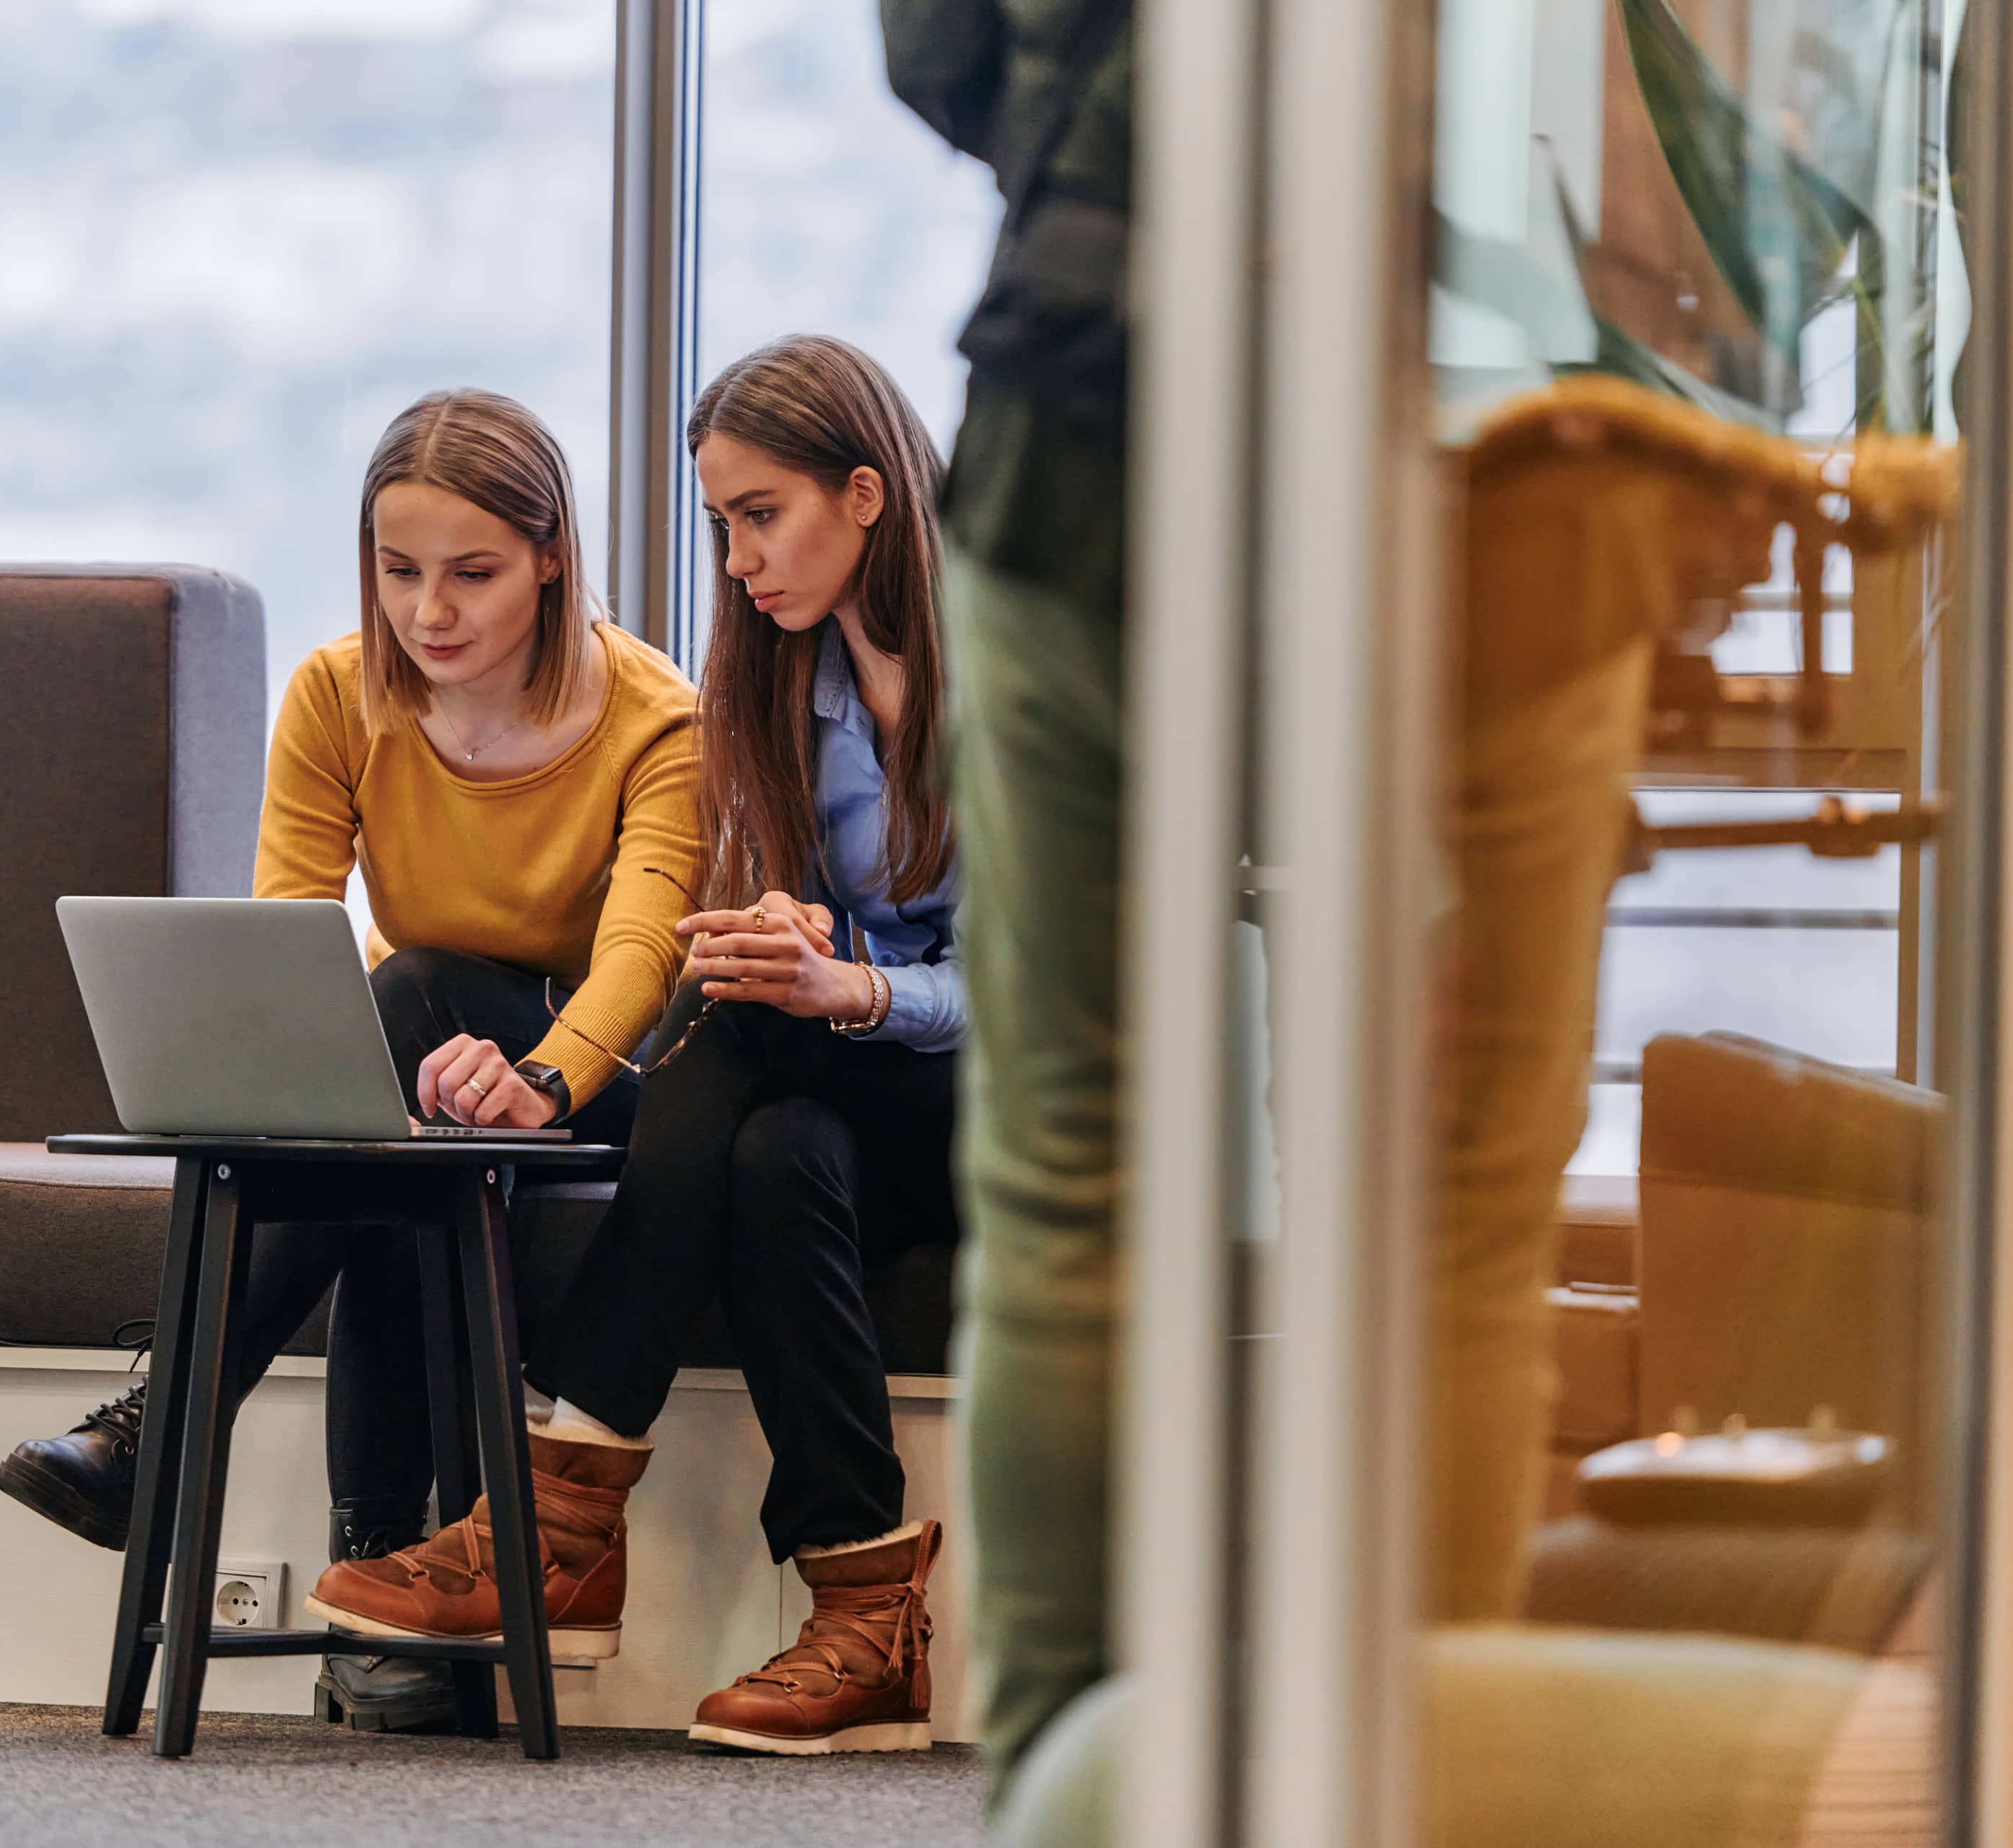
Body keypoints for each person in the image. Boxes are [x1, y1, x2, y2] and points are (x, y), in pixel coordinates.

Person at [0, 388, 700, 1732]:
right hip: (428, 1085)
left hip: (600, 1092)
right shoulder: (335, 693)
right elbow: (291, 945)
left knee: (419, 987)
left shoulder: (659, 717)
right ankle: (382, 1616)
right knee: (391, 1135)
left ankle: (165, 1425)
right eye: (399, 570)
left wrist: (542, 1076)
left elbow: (642, 961)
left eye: (473, 573)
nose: (430, 610)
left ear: (554, 558)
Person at [306, 333, 963, 1758]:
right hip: (846, 1101)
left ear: (865, 495)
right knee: (775, 1138)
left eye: (759, 515)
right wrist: (793, 939)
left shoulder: (1019, 688)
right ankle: (868, 1616)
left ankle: (566, 1501)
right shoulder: (785, 690)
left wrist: (851, 988)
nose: (734, 557)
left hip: (1010, 1103)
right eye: (721, 521)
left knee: (727, 1033)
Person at [880, 0, 1134, 1809]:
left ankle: (1050, 1778)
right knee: (1440, 1180)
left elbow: (939, 51)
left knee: (1061, 1170)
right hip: (1483, 382)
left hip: (1090, 377)